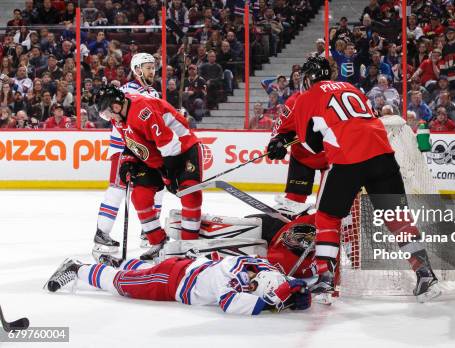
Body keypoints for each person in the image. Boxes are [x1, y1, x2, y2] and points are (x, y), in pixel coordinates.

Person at [266, 57, 441, 302]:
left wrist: (284, 144)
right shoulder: (351, 88)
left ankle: (325, 280)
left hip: (349, 159)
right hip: (383, 155)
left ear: (308, 79)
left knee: (327, 216)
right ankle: (425, 275)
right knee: (398, 218)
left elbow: (310, 146)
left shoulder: (307, 97)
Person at [94, 85, 204, 261]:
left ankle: (190, 246)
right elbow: (132, 142)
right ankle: (158, 243)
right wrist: (129, 161)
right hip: (157, 154)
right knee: (140, 196)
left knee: (190, 193)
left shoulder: (143, 111)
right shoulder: (119, 117)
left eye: (107, 113)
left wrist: (169, 176)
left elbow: (169, 144)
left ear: (115, 106)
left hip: (183, 149)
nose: (108, 118)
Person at [44, 255, 311, 315]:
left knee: (144, 270)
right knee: (122, 284)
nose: (251, 289)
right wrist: (273, 302)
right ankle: (77, 268)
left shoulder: (259, 267)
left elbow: (271, 281)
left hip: (182, 266)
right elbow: (229, 304)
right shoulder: (230, 278)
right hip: (170, 282)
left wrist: (292, 288)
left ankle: (120, 260)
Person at [93, 53, 165, 256]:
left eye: (153, 67)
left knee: (157, 189)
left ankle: (149, 232)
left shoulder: (154, 93)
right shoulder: (125, 90)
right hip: (123, 148)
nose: (152, 70)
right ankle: (101, 233)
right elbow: (105, 113)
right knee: (117, 188)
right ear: (137, 69)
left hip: (149, 150)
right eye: (148, 67)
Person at [267, 90, 328, 218]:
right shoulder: (296, 100)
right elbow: (283, 128)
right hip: (302, 156)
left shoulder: (338, 94)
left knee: (329, 204)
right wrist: (278, 141)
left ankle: (330, 231)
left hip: (332, 158)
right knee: (294, 200)